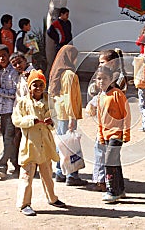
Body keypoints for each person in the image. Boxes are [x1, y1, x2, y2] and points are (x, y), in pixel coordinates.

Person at [12, 69, 65, 216]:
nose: (38, 88)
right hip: (30, 145)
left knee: (47, 173)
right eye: (35, 85)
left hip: (46, 143)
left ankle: (52, 198)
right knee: (26, 175)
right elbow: (16, 120)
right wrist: (30, 121)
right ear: (29, 87)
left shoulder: (49, 101)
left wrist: (50, 122)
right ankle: (24, 204)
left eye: (41, 85)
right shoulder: (23, 103)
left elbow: (56, 117)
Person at [86, 49, 127, 192]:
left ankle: (106, 184)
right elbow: (95, 90)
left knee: (108, 155)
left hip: (114, 125)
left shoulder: (117, 78)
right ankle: (104, 181)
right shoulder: (103, 75)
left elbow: (109, 94)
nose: (99, 66)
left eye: (102, 62)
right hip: (104, 123)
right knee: (101, 151)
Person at [48, 45, 87, 186]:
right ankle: (71, 174)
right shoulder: (70, 75)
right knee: (70, 145)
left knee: (62, 143)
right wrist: (72, 117)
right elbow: (70, 97)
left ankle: (59, 171)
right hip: (67, 114)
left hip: (59, 113)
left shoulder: (57, 74)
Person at [96, 65, 131, 202]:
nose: (101, 81)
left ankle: (112, 191)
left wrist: (126, 133)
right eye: (99, 78)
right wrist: (101, 135)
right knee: (115, 162)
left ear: (111, 79)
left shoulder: (117, 94)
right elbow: (100, 118)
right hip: (106, 135)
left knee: (109, 162)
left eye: (104, 78)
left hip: (117, 134)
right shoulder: (100, 96)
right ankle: (120, 189)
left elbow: (126, 114)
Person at [0, 45, 19, 179]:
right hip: (1, 110)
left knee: (8, 139)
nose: (1, 59)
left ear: (8, 55)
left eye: (4, 56)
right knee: (9, 140)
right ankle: (16, 165)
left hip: (11, 109)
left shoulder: (13, 72)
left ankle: (1, 166)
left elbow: (15, 93)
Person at [10, 51, 34, 170]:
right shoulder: (20, 75)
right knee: (19, 138)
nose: (18, 66)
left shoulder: (32, 73)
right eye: (15, 65)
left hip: (30, 112)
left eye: (20, 62)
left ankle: (31, 165)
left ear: (25, 60)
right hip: (19, 111)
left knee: (30, 139)